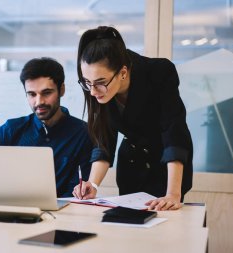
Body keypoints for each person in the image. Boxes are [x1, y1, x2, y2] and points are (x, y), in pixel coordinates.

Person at [72, 26, 193, 211]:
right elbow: (104, 139)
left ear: (122, 72)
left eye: (100, 83)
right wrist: (92, 184)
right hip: (132, 163)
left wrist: (173, 194)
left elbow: (173, 130)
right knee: (129, 226)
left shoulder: (159, 72)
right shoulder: (96, 86)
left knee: (165, 223)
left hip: (166, 164)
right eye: (87, 83)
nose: (93, 91)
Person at [0, 57, 93, 197]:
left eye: (46, 93)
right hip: (12, 211)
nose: (39, 101)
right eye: (31, 94)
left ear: (62, 90)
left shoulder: (83, 133)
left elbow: (77, 192)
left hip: (62, 214)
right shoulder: (10, 130)